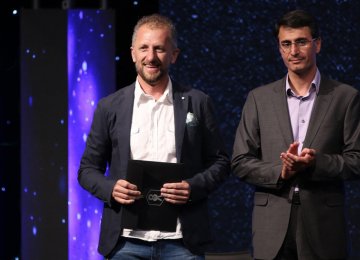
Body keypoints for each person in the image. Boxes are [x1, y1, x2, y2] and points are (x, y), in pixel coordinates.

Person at [78, 13, 230, 259]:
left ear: (174, 55)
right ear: (133, 54)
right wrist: (111, 188)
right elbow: (87, 170)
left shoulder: (198, 102)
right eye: (144, 48)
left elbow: (221, 162)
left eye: (159, 49)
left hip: (182, 242)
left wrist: (192, 187)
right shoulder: (110, 106)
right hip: (125, 243)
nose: (151, 57)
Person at [231, 9, 360, 260]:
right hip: (272, 229)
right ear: (279, 48)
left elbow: (356, 160)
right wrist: (280, 171)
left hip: (323, 229)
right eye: (286, 44)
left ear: (317, 44)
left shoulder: (346, 97)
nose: (294, 51)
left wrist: (316, 163)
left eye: (301, 42)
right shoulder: (259, 99)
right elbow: (240, 161)